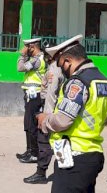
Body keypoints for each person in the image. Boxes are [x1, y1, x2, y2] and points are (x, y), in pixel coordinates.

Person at [36, 35, 107, 193]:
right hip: (92, 152)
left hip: (74, 156)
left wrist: (44, 119)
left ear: (68, 60)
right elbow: (104, 119)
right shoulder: (103, 81)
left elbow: (62, 121)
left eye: (60, 65)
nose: (60, 70)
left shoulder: (78, 82)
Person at [24, 46, 65, 184]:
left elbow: (51, 94)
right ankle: (64, 170)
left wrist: (45, 116)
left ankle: (41, 172)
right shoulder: (58, 68)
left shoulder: (54, 68)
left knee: (44, 141)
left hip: (52, 110)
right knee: (60, 140)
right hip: (59, 110)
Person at [16, 38, 46, 164]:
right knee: (28, 123)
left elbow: (20, 68)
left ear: (32, 47)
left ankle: (34, 153)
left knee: (32, 124)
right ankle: (29, 150)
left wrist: (22, 55)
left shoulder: (37, 60)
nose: (24, 49)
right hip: (30, 95)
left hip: (35, 96)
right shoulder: (35, 59)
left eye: (26, 47)